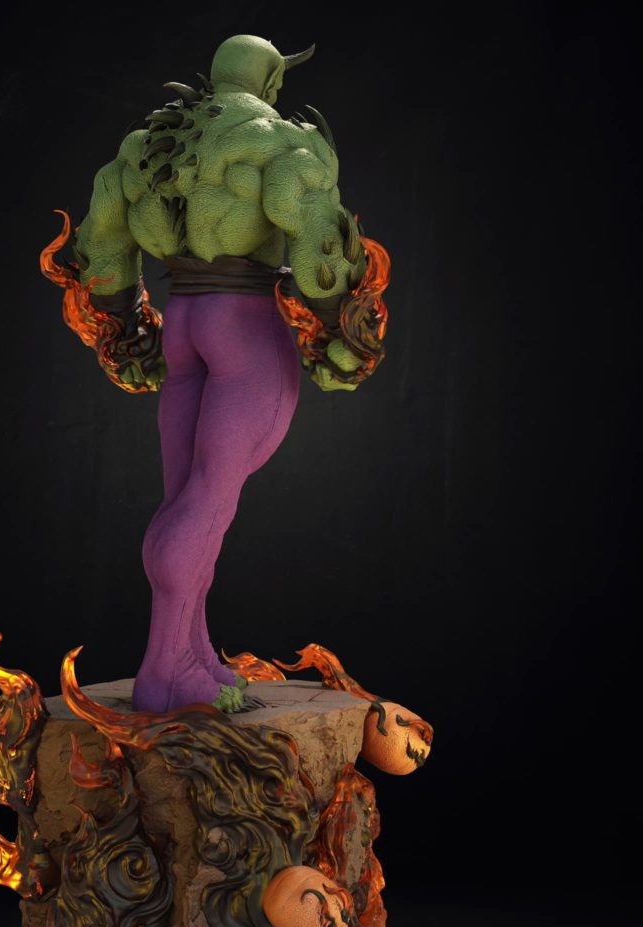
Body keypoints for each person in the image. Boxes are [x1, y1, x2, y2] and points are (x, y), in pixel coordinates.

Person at [42, 34, 389, 714]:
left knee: (187, 500)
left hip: (184, 327)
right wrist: (347, 330)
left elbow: (102, 250)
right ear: (270, 81)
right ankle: (164, 670)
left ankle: (194, 655)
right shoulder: (284, 141)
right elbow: (315, 245)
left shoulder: (144, 146)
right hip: (245, 330)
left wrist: (128, 327)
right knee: (206, 503)